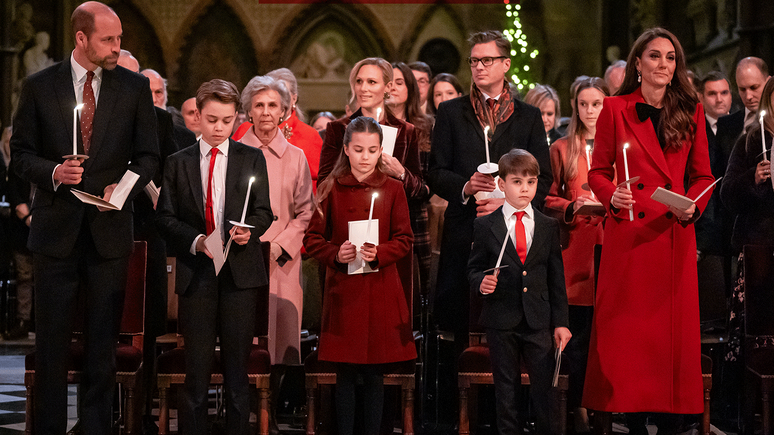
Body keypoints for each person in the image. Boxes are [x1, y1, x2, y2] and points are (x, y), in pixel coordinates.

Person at [9, 2, 159, 433]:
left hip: (109, 233)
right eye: (108, 39)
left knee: (101, 348)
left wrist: (124, 186)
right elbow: (20, 157)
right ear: (81, 38)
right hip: (55, 234)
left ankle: (96, 428)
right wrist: (55, 172)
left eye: (119, 39)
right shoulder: (39, 86)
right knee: (53, 346)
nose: (117, 47)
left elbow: (149, 155)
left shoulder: (132, 87)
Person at [583, 28, 714, 433]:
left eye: (670, 57)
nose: (663, 64)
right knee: (631, 339)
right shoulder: (615, 107)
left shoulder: (690, 109)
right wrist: (611, 197)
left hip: (673, 235)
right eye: (654, 56)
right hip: (631, 237)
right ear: (637, 64)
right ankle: (633, 416)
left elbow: (703, 174)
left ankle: (673, 417)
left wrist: (692, 205)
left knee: (668, 339)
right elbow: (598, 171)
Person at [156, 79, 273, 435]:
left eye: (225, 120)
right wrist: (195, 241)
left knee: (238, 374)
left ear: (237, 118)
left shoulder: (250, 157)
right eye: (211, 120)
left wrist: (249, 230)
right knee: (197, 372)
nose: (218, 128)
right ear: (198, 116)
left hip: (239, 275)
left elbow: (264, 211)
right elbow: (165, 216)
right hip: (198, 275)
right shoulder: (179, 162)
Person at [428, 30, 550, 357]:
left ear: (506, 64)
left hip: (515, 235)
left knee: (511, 329)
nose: (479, 67)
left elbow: (546, 178)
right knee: (460, 331)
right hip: (465, 232)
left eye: (487, 60)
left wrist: (508, 201)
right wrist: (466, 187)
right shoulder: (452, 113)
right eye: (474, 61)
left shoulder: (528, 117)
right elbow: (436, 172)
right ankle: (459, 406)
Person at [303, 116, 415, 435]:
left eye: (372, 150)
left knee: (375, 375)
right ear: (346, 150)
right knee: (346, 375)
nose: (365, 157)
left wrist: (380, 252)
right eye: (359, 149)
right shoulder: (331, 189)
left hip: (380, 290)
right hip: (345, 293)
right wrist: (336, 254)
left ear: (381, 150)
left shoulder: (393, 189)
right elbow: (312, 239)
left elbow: (405, 239)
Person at [468, 148, 570, 435]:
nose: (525, 189)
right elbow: (474, 269)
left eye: (531, 182)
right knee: (506, 393)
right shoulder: (486, 225)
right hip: (501, 320)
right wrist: (481, 283)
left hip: (538, 321)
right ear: (501, 184)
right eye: (517, 182)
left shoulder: (548, 225)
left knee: (544, 393)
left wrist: (561, 322)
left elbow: (556, 278)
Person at [544, 76, 608, 433]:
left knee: (605, 338)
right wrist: (572, 205)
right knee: (577, 337)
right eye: (583, 104)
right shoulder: (562, 148)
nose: (589, 111)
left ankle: (603, 408)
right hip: (576, 252)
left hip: (609, 248)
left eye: (596, 104)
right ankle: (579, 410)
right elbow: (548, 197)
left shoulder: (617, 148)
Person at [237, 75, 314, 365]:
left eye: (273, 105)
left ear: (284, 111)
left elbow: (306, 211)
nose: (266, 112)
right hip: (245, 253)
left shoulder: (296, 157)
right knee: (246, 339)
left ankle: (277, 405)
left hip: (283, 259)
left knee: (281, 343)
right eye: (259, 105)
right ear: (248, 111)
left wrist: (280, 246)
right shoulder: (235, 153)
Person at [720, 77, 774, 432]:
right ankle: (743, 414)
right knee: (753, 337)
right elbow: (726, 194)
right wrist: (753, 178)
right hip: (759, 250)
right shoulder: (753, 140)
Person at [234, 68, 324, 191]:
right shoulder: (244, 130)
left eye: (282, 92)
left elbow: (318, 186)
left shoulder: (309, 136)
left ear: (293, 98)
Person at [387, 61, 433, 297]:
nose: (393, 87)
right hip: (379, 218)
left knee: (414, 292)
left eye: (399, 82)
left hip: (413, 216)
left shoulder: (425, 128)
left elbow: (428, 189)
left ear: (410, 89)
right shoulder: (370, 126)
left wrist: (401, 173)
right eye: (389, 82)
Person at [716, 57, 770, 155]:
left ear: (768, 82)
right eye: (742, 89)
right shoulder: (725, 125)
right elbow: (719, 169)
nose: (748, 96)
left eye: (754, 88)